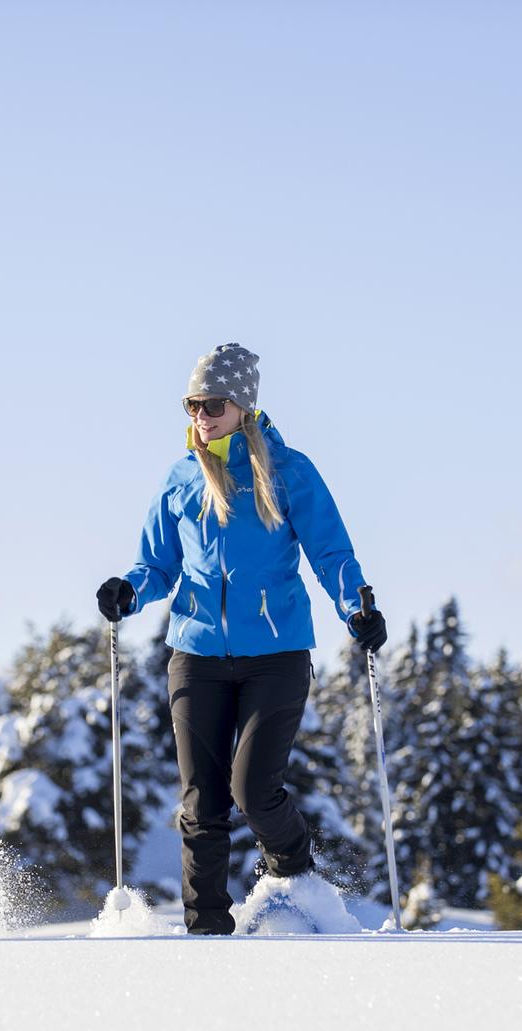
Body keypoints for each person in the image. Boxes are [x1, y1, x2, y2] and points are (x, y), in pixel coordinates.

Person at [96, 343, 386, 934]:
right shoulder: (180, 478)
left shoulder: (289, 471)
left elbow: (330, 552)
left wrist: (356, 606)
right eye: (192, 405)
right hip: (196, 656)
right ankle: (206, 934)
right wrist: (130, 588)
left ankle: (293, 873)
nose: (201, 416)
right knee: (202, 804)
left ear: (244, 407)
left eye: (213, 404)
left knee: (252, 789)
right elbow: (156, 564)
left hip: (276, 655)